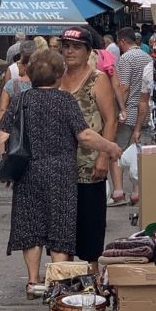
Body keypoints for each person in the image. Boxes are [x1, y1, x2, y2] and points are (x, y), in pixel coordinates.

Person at [0, 49, 121, 297]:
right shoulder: (65, 100)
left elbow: (3, 134)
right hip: (61, 173)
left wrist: (8, 164)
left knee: (31, 227)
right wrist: (110, 148)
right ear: (58, 75)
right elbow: (84, 135)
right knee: (60, 228)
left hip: (28, 171)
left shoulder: (21, 99)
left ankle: (33, 282)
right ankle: (57, 283)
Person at [59, 27, 117, 266]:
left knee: (90, 222)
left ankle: (91, 273)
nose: (70, 51)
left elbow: (110, 120)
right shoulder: (56, 77)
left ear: (88, 51)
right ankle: (65, 273)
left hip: (88, 164)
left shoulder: (97, 79)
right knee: (62, 225)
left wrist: (104, 156)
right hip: (59, 165)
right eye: (66, 46)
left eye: (76, 47)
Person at [111, 27, 152, 204]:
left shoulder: (126, 58)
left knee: (117, 151)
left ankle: (118, 191)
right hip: (145, 112)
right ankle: (136, 192)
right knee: (138, 153)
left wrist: (119, 109)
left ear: (122, 41)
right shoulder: (148, 58)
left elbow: (124, 87)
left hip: (129, 111)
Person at [0, 40, 34, 134]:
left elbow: (2, 109)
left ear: (25, 66)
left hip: (14, 130)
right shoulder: (42, 82)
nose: (18, 65)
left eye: (19, 64)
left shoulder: (11, 82)